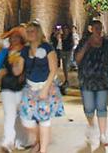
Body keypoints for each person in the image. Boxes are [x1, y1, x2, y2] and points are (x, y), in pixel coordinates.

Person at [19, 21, 64, 153]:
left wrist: (45, 88)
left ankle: (42, 149)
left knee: (44, 120)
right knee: (26, 119)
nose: (30, 33)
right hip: (30, 87)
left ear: (38, 33)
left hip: (46, 86)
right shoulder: (25, 50)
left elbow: (54, 69)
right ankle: (39, 140)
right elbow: (19, 69)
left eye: (32, 31)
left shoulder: (47, 48)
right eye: (28, 31)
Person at [74, 19, 108, 148]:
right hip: (87, 81)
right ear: (91, 29)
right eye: (95, 28)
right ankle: (90, 124)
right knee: (88, 107)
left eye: (100, 28)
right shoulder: (84, 42)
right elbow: (77, 59)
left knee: (101, 107)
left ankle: (103, 134)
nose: (98, 31)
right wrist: (86, 46)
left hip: (103, 81)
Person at [0, 26, 29, 152]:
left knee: (21, 115)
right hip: (8, 85)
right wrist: (0, 71)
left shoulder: (26, 51)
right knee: (9, 114)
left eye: (16, 37)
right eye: (12, 37)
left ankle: (20, 140)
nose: (14, 39)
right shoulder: (5, 51)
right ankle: (8, 140)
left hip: (22, 87)